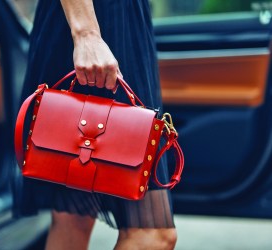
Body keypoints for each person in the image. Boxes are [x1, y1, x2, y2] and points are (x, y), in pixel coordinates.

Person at [18, 0, 177, 249]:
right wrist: (86, 34)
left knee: (73, 219)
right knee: (152, 235)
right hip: (97, 22)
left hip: (111, 22)